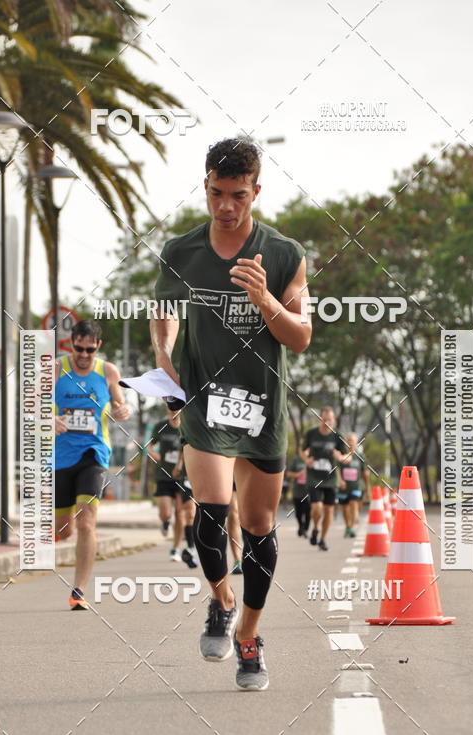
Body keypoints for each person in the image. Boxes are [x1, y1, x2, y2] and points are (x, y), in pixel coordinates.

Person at [151, 137, 310, 690]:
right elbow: (164, 311)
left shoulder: (284, 254)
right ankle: (221, 601)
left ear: (255, 192)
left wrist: (265, 300)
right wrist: (164, 355)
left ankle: (249, 635)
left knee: (260, 526)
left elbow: (301, 337)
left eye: (238, 195)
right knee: (212, 511)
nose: (225, 206)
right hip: (205, 401)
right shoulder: (181, 251)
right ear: (205, 186)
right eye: (216, 193)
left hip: (262, 405)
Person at [54, 320, 130, 610]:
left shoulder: (108, 371)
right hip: (61, 457)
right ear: (71, 344)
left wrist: (122, 410)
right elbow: (32, 403)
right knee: (65, 530)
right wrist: (48, 418)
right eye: (79, 348)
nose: (84, 355)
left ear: (98, 346)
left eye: (90, 349)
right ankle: (62, 530)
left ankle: (78, 591)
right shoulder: (56, 368)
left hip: (94, 454)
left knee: (87, 522)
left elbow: (120, 404)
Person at [302, 406, 345, 551]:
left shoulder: (338, 435)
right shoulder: (311, 434)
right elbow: (302, 450)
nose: (327, 422)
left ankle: (323, 539)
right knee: (316, 508)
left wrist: (341, 457)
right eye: (325, 419)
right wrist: (306, 459)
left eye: (330, 419)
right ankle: (315, 527)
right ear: (320, 419)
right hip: (314, 476)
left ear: (334, 420)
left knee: (329, 510)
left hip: (331, 478)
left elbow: (347, 455)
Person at [148, 409, 187, 562]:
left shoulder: (187, 426)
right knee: (166, 513)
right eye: (171, 407)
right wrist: (152, 452)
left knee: (180, 513)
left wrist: (181, 464)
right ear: (167, 409)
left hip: (182, 475)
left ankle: (176, 548)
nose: (174, 410)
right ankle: (165, 522)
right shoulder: (161, 426)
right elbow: (150, 444)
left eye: (177, 407)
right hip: (163, 474)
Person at [337, 432, 371, 536]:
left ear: (357, 443)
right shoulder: (342, 456)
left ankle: (352, 527)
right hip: (343, 487)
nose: (350, 443)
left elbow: (365, 474)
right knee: (345, 508)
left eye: (352, 441)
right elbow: (336, 469)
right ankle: (348, 526)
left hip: (356, 486)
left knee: (353, 504)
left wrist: (368, 488)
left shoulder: (360, 457)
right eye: (349, 440)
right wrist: (340, 480)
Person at [286, 453, 310, 536]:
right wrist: (298, 474)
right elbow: (288, 473)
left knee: (308, 511)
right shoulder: (296, 460)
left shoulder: (313, 457)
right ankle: (301, 525)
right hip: (297, 491)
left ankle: (305, 529)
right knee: (298, 512)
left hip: (309, 491)